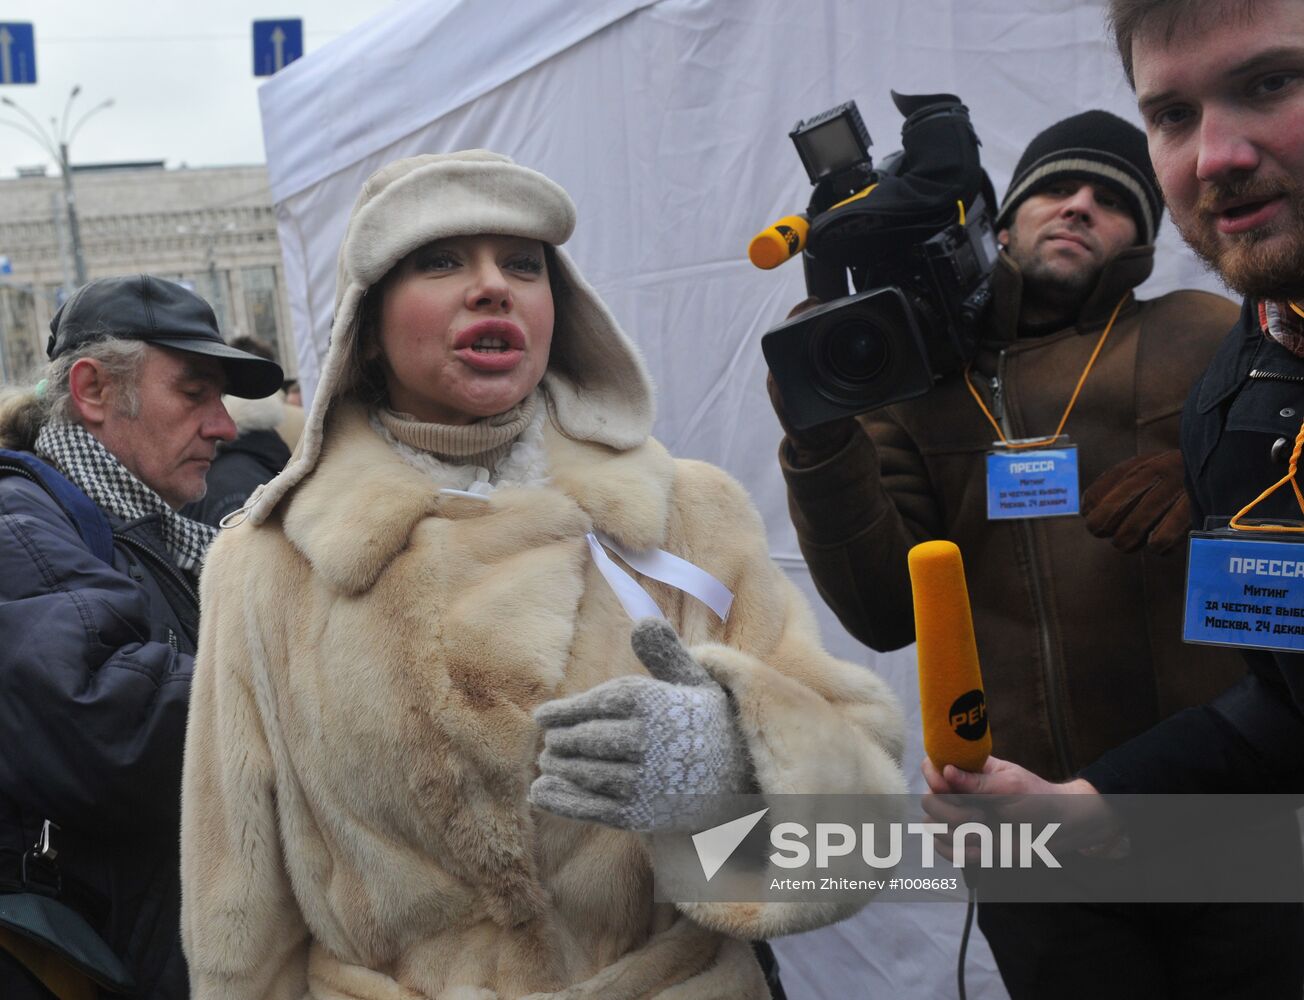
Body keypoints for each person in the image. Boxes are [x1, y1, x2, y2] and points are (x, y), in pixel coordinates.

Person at [178, 150, 908, 1000]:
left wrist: (728, 772)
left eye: (523, 264)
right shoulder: (266, 565)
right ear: (367, 326)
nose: (493, 286)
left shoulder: (686, 516)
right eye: (440, 261)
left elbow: (855, 830)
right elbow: (238, 913)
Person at [773, 112, 1246, 996]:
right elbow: (881, 611)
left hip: (1210, 810)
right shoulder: (917, 386)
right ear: (1003, 218)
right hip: (1022, 823)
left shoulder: (1202, 332)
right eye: (1056, 188)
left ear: (1143, 239)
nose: (1079, 206)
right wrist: (822, 439)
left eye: (1113, 200)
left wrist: (1217, 474)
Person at [924, 1, 1304, 994]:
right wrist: (1083, 803)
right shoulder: (1247, 375)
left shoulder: (1198, 339)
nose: (1215, 154)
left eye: (1271, 81)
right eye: (1172, 115)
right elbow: (1285, 697)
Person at [0, 275, 282, 999]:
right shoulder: (16, 523)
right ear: (94, 391)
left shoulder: (148, 528)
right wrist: (317, 669)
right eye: (194, 394)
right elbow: (109, 725)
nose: (223, 426)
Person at [181, 335, 294, 527]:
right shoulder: (234, 478)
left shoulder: (231, 481)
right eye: (194, 394)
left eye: (219, 395)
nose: (227, 428)